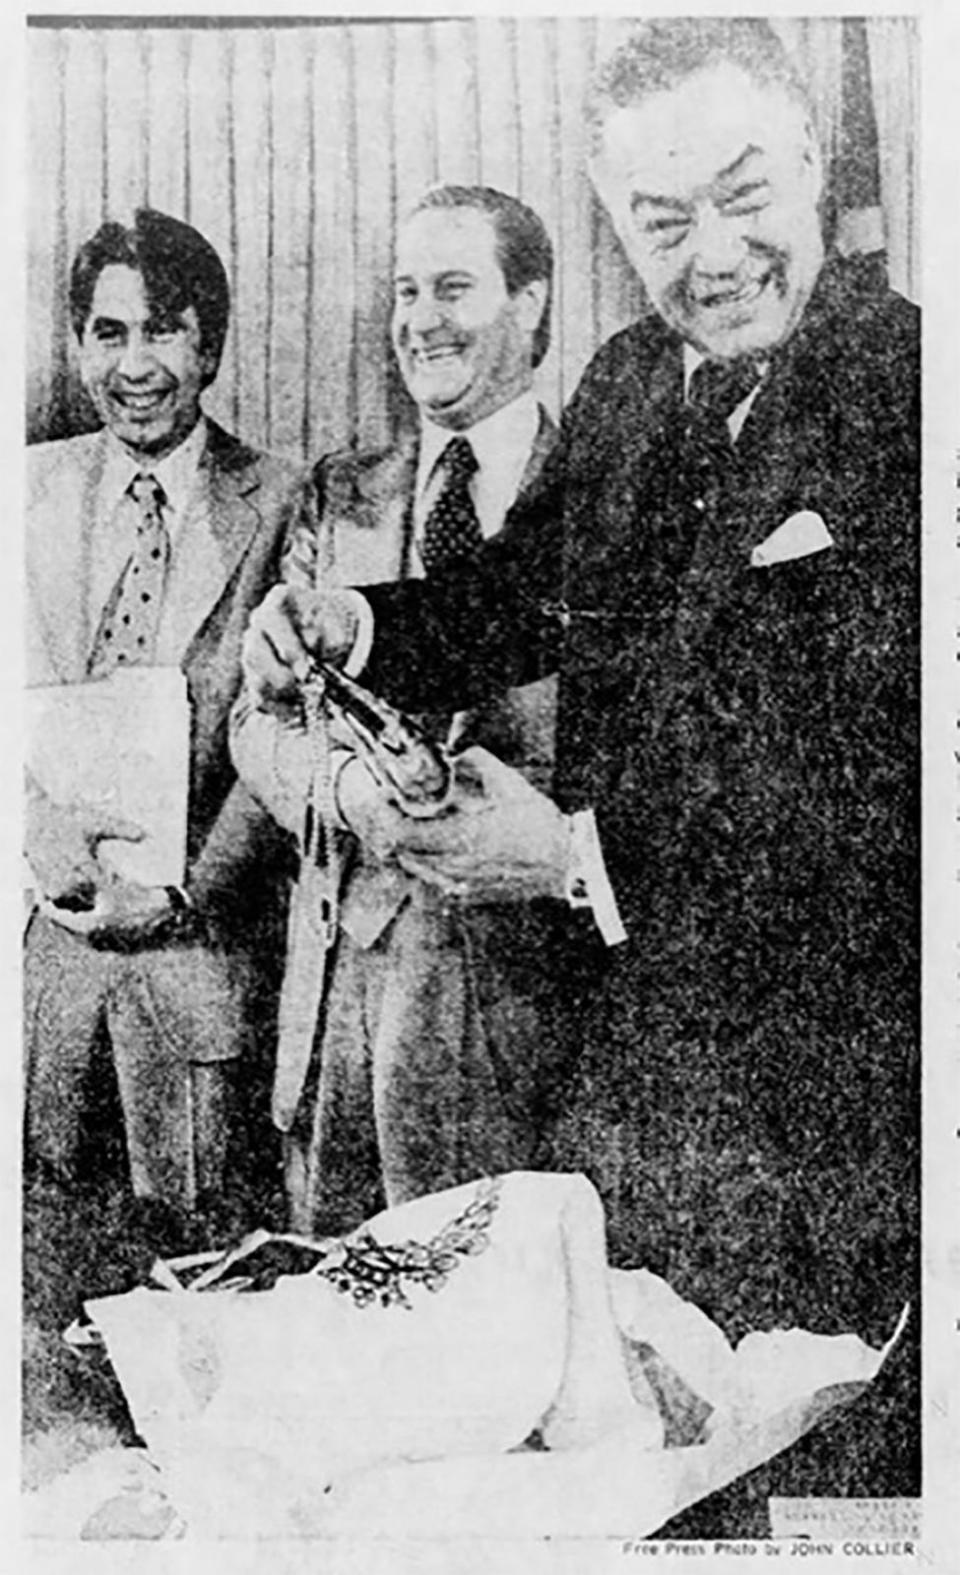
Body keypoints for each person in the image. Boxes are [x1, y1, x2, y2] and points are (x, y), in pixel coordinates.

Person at [242, 14, 919, 1377]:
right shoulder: (622, 385)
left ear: (812, 158)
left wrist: (564, 855)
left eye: (744, 195)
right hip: (626, 1087)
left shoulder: (916, 380)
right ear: (613, 220)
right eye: (663, 219)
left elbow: (890, 808)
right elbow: (516, 596)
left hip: (831, 1106)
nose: (712, 257)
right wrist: (358, 617)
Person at [232, 185, 571, 1232]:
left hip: (538, 1013)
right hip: (343, 992)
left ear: (530, 304)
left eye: (454, 288)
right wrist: (341, 790)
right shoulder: (340, 493)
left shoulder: (610, 488)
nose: (420, 320)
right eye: (405, 291)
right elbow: (257, 718)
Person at [24, 207, 316, 1246]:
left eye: (163, 331)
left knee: (202, 1274)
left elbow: (291, 731)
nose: (135, 364)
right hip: (43, 963)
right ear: (76, 344)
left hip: (204, 964)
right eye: (109, 333)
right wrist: (28, 831)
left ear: (210, 345)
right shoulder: (24, 492)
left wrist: (188, 893)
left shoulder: (284, 500)